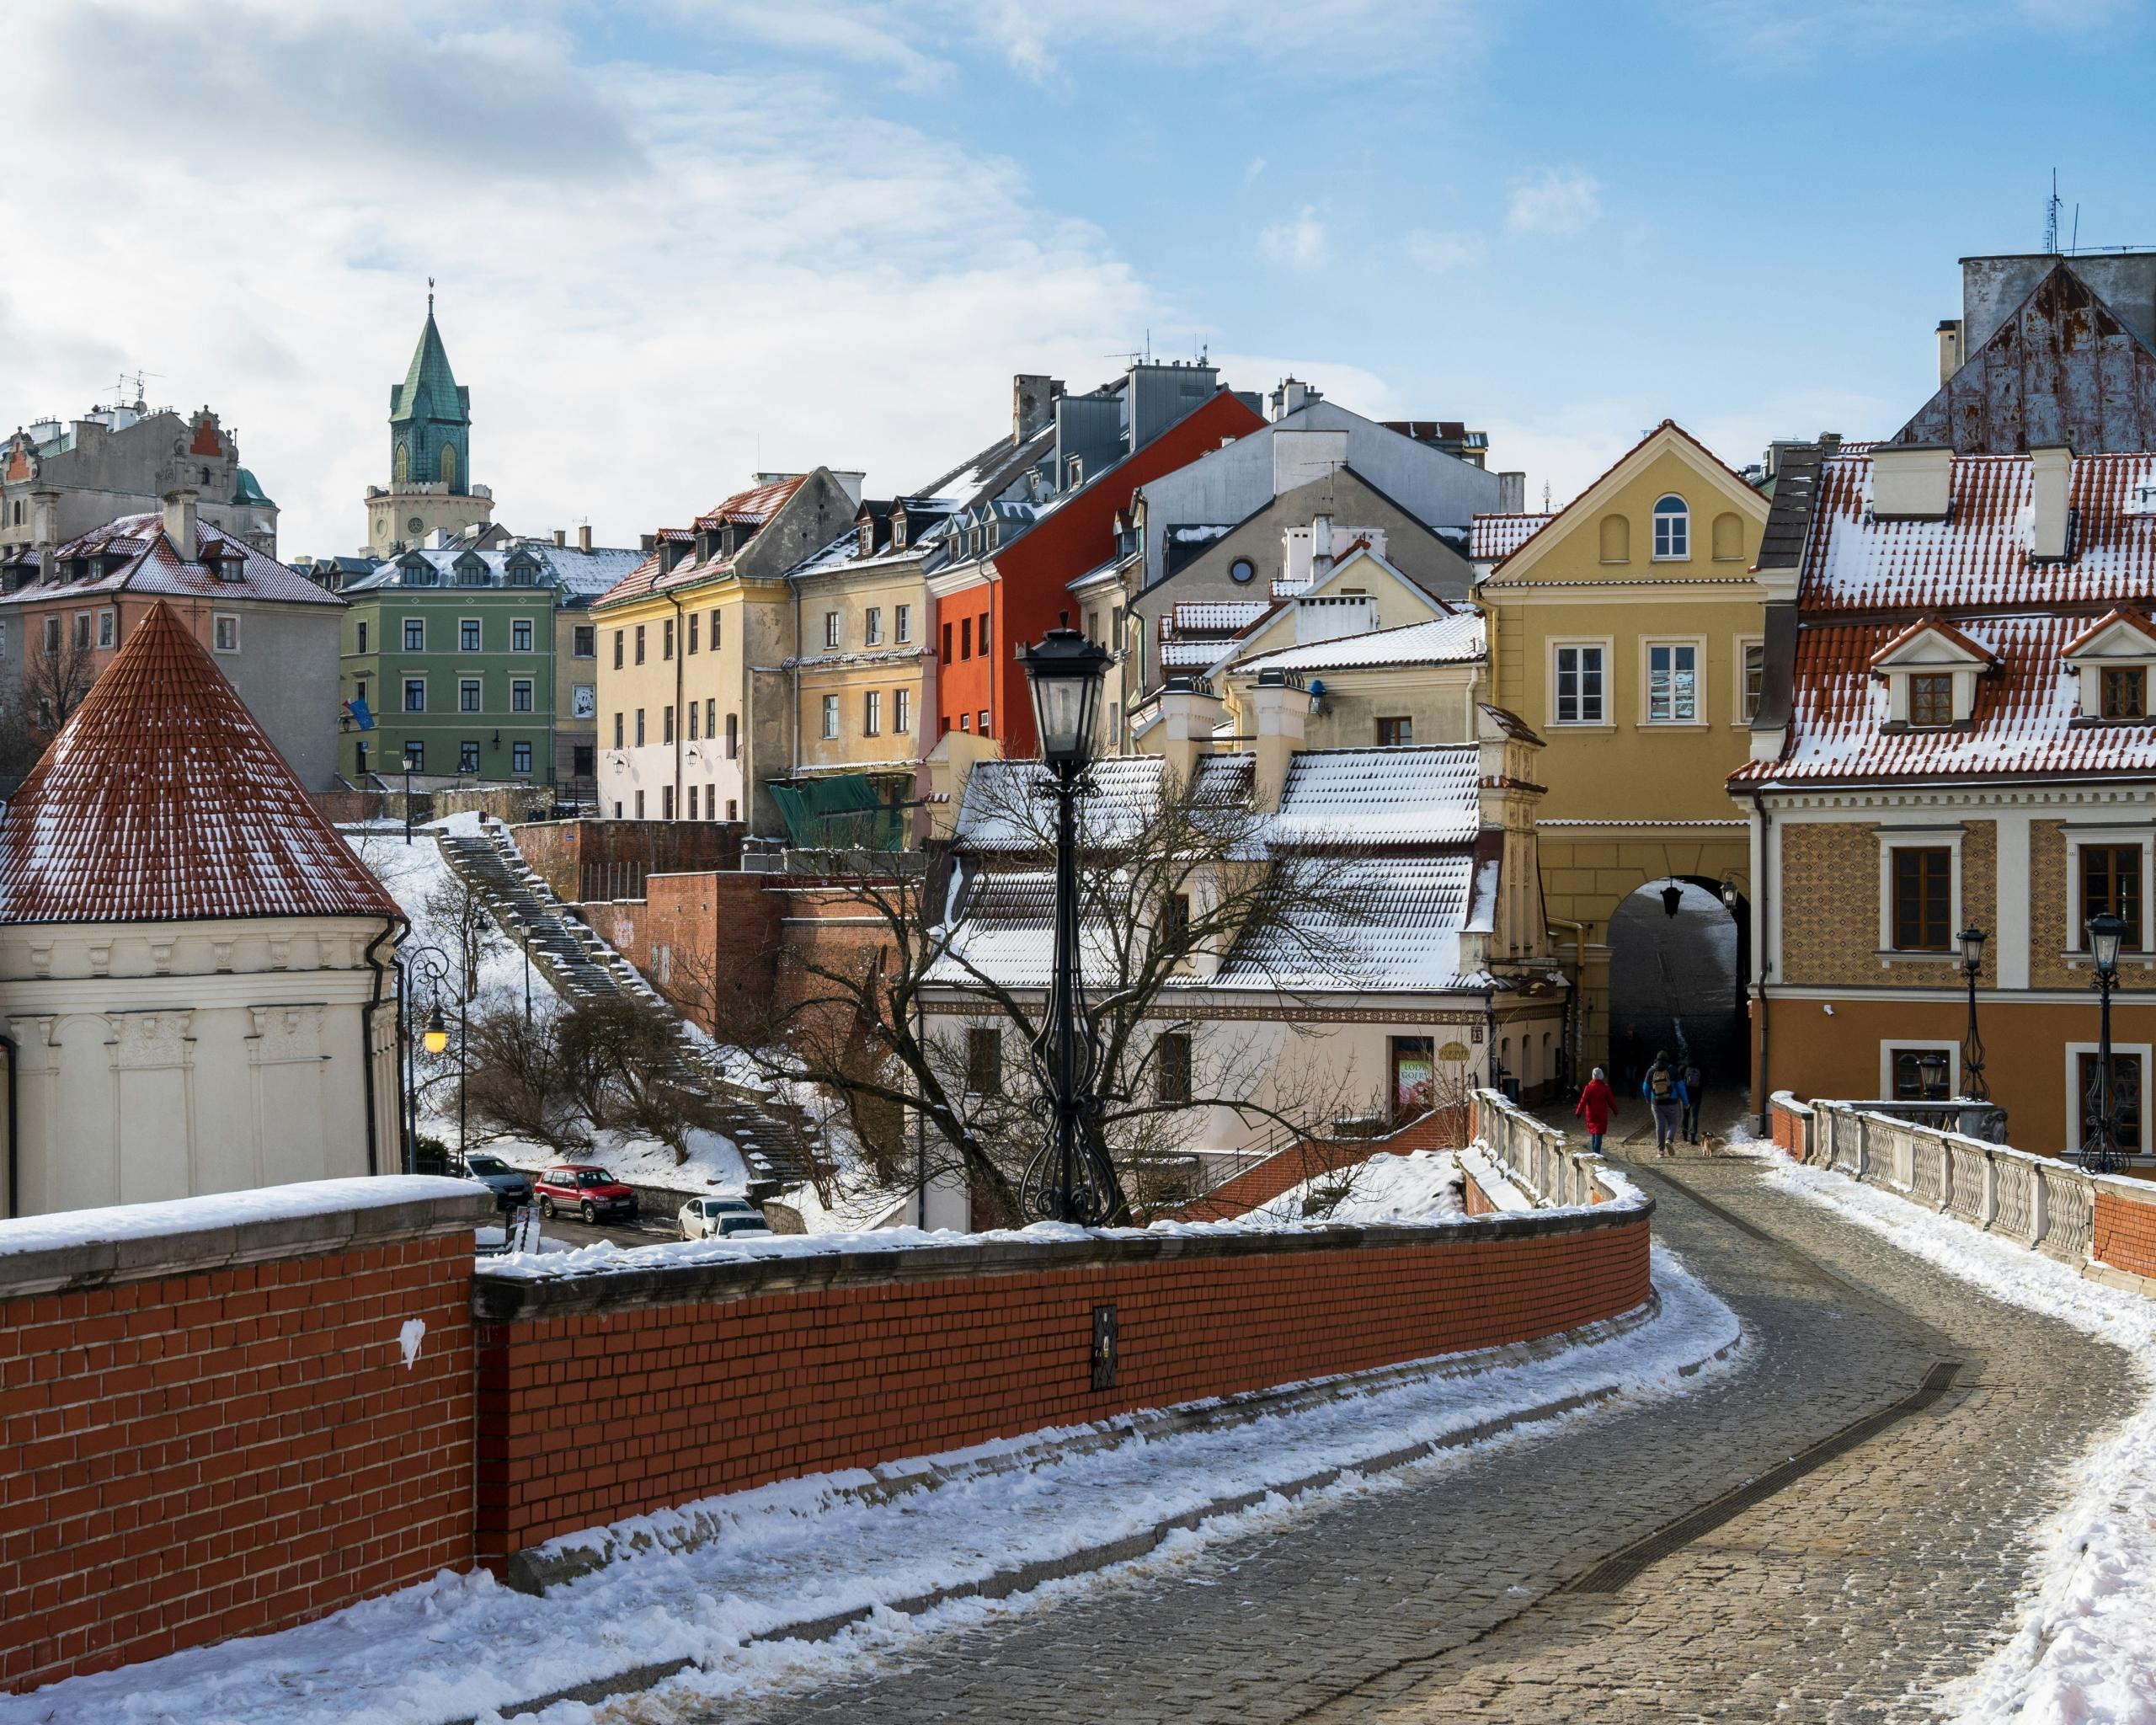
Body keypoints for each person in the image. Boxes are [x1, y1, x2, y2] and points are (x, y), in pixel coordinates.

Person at [1641, 1051, 1689, 1156]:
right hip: (1672, 1102)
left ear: (1657, 1059)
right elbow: (1681, 1087)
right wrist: (1686, 1102)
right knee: (1673, 1123)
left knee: (1660, 1125)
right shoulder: (1673, 1070)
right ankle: (1669, 1140)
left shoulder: (1651, 1070)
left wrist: (1648, 1099)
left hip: (1656, 1103)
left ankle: (1660, 1151)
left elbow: (1645, 1088)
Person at [1575, 1066, 1617, 1155]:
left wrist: (1578, 1112)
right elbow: (1611, 1101)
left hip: (1591, 1114)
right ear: (1602, 1076)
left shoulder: (1588, 1088)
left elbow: (1583, 1101)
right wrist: (1615, 1110)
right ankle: (1597, 1153)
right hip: (1601, 1115)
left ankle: (1594, 1151)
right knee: (1599, 1134)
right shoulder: (1605, 1088)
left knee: (1594, 1133)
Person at [1682, 1060, 1705, 1143]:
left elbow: (1679, 1081)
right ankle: (1693, 1137)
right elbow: (1705, 1081)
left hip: (1686, 1095)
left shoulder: (1684, 1068)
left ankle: (1685, 1136)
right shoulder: (1701, 1068)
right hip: (1697, 1096)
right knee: (1694, 1116)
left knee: (1685, 1116)